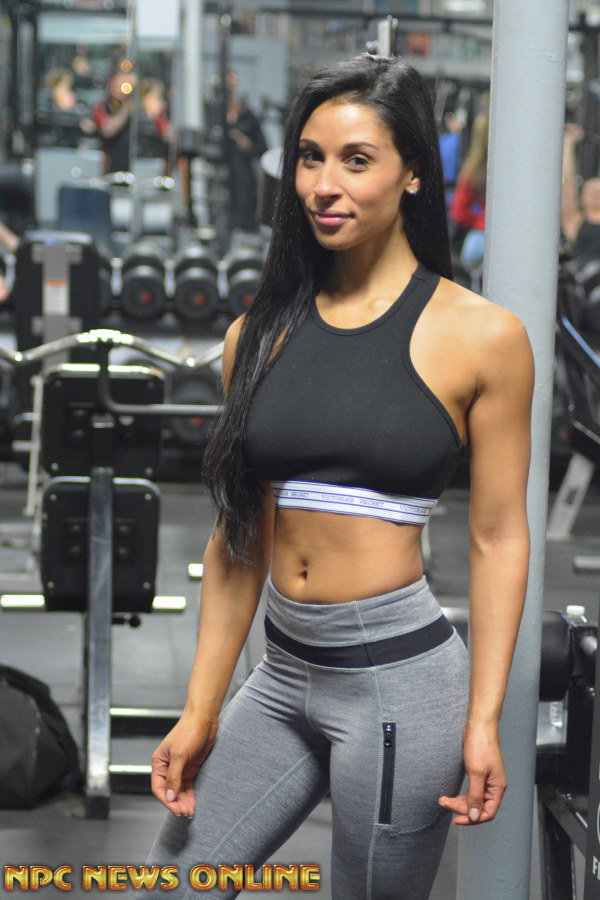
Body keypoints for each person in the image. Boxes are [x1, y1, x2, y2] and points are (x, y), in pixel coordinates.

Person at [143, 55, 533, 899]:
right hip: (280, 676)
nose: (325, 184)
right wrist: (201, 707)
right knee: (169, 885)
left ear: (413, 172)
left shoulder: (481, 337)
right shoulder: (257, 335)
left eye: (357, 160)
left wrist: (484, 719)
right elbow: (239, 537)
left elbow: (499, 537)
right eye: (310, 158)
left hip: (400, 685)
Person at [225, 71, 267, 232]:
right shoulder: (214, 114)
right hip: (223, 177)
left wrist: (247, 144)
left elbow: (262, 147)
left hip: (244, 178)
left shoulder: (248, 116)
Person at [449, 112, 488, 270]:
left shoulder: (472, 169)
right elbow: (458, 212)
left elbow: (458, 212)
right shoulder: (474, 171)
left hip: (477, 240)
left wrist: (480, 222)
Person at [561, 123, 600, 263]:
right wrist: (568, 143)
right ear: (581, 198)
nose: (597, 195)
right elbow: (568, 186)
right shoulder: (576, 222)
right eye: (592, 192)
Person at [92, 64, 137, 174]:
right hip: (112, 165)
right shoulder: (103, 106)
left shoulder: (136, 106)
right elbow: (108, 129)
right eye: (118, 84)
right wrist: (126, 108)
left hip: (133, 165)